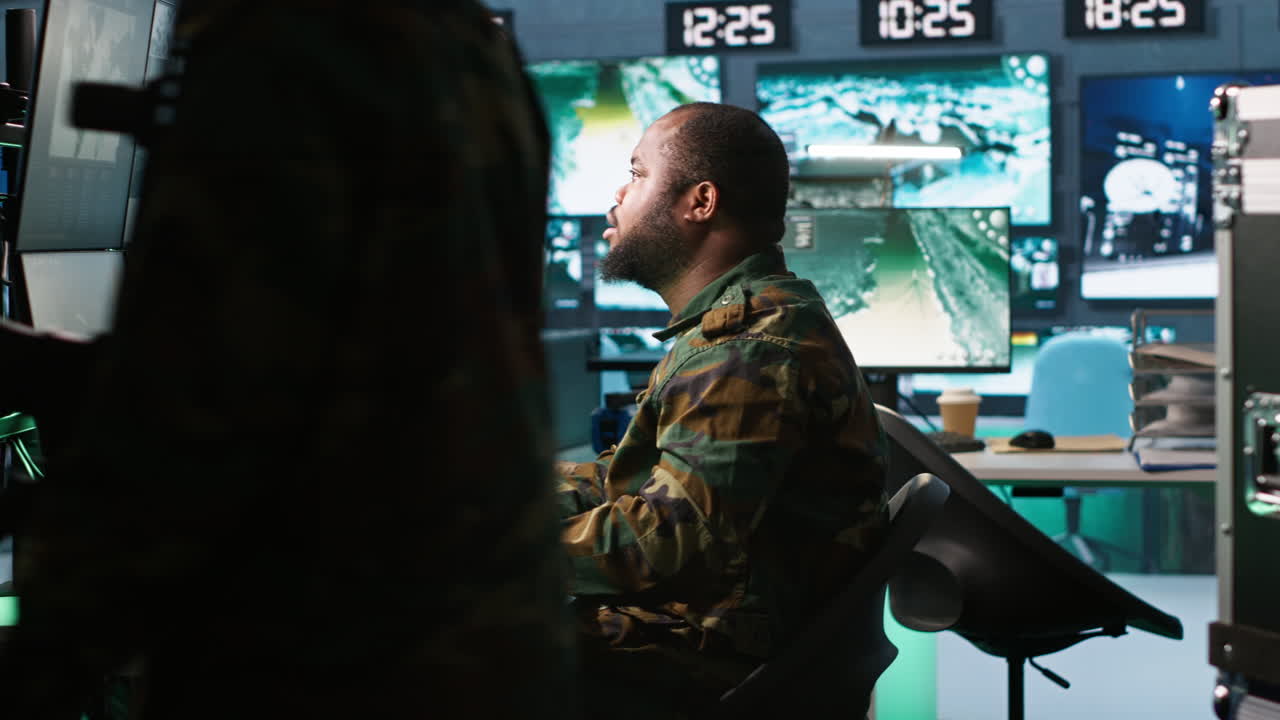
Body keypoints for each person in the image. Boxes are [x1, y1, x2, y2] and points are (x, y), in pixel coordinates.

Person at [0, 1, 577, 718]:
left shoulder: (279, 45)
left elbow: (194, 413)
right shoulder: (463, 40)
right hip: (481, 642)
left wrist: (45, 654)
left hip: (326, 656)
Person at [556, 101, 890, 718]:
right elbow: (639, 483)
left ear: (701, 202)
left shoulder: (745, 351)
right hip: (727, 630)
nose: (617, 196)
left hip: (716, 655)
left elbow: (666, 540)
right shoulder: (740, 326)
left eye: (636, 174)